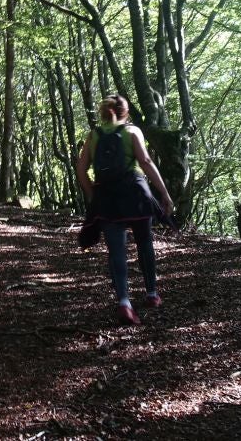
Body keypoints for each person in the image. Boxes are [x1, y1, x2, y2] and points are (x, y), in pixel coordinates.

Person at [75, 94, 174, 325]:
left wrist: (93, 195)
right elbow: (146, 162)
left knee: (116, 251)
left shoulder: (93, 135)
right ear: (126, 112)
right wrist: (164, 193)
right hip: (135, 192)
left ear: (103, 112)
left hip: (106, 196)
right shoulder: (132, 131)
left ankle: (124, 302)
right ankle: (152, 294)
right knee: (144, 243)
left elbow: (81, 169)